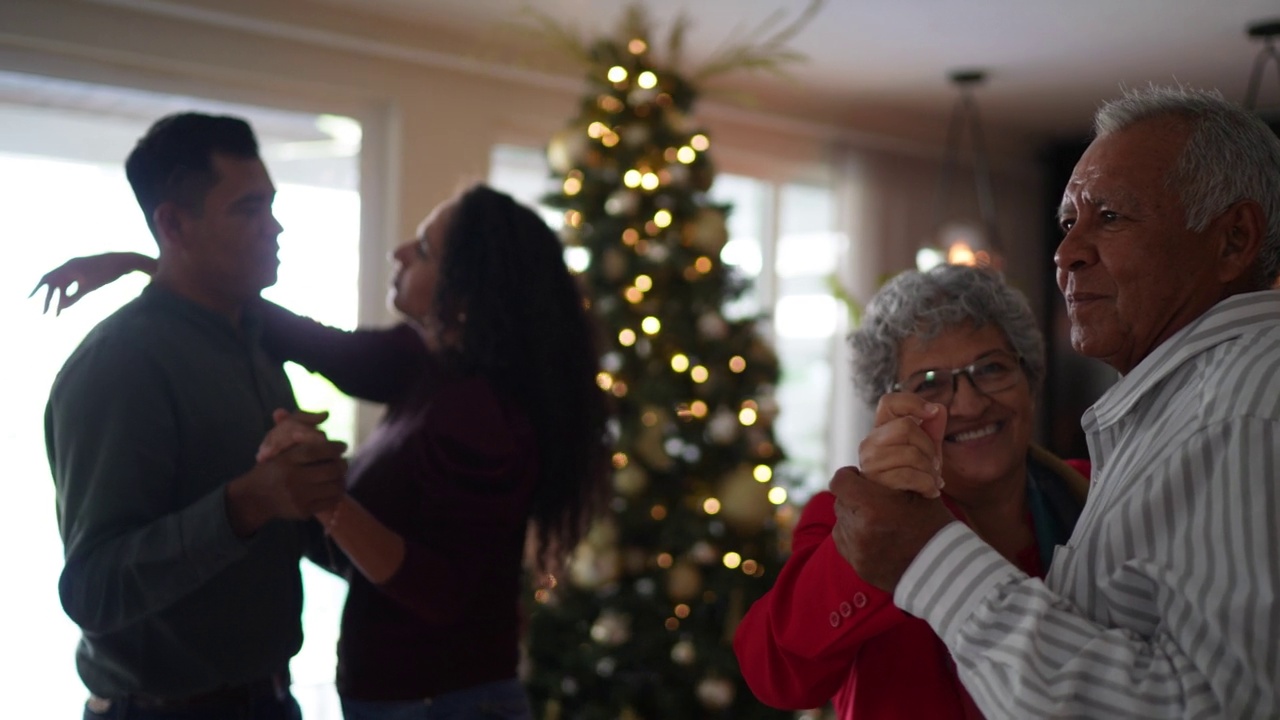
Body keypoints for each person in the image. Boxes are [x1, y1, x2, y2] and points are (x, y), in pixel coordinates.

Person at [38, 183, 614, 720]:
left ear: (467, 286)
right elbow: (295, 335)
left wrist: (318, 495)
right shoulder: (420, 364)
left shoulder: (483, 410)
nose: (399, 252)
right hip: (402, 695)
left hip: (443, 700)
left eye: (423, 249)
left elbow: (439, 593)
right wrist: (158, 268)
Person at [830, 85, 1280, 718]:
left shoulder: (1239, 414)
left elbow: (1213, 705)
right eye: (1070, 222)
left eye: (1111, 217)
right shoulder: (1184, 411)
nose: (1066, 253)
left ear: (1233, 240)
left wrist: (930, 559)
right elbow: (779, 670)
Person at [44, 112, 349, 719]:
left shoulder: (254, 342)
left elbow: (279, 522)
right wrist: (249, 501)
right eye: (249, 210)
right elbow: (91, 589)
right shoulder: (121, 364)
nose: (275, 227)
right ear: (175, 224)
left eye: (272, 206)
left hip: (271, 699)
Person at [733, 264, 1089, 719]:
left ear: (1030, 380)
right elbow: (775, 676)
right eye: (930, 385)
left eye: (992, 368)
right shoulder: (852, 514)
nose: (969, 403)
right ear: (890, 412)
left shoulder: (1097, 486)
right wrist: (875, 537)